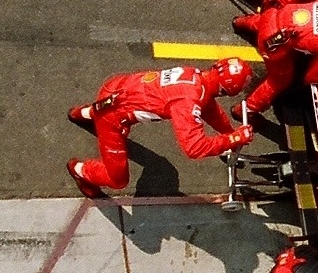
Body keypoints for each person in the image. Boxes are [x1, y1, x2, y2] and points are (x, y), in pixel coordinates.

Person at [66, 58, 254, 198]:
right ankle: (79, 170)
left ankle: (80, 113)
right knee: (118, 180)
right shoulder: (188, 101)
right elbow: (194, 148)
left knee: (105, 107)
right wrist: (233, 139)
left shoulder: (197, 76)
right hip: (113, 117)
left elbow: (209, 108)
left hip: (118, 87)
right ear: (226, 91)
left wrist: (229, 133)